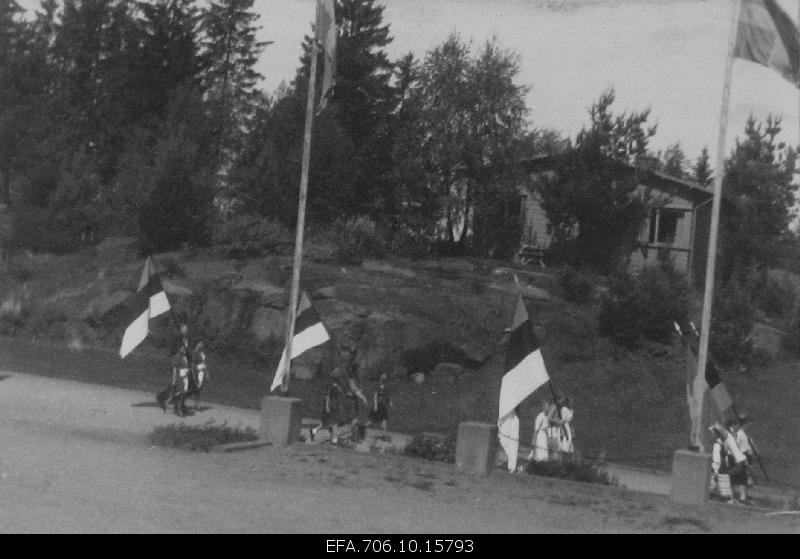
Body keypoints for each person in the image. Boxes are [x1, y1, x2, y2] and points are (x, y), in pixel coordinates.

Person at [723, 419, 750, 504]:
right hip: (737, 457)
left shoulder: (737, 434)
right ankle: (735, 497)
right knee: (735, 478)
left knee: (739, 479)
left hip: (737, 457)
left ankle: (740, 497)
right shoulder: (737, 434)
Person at [710, 425, 733, 501]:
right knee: (724, 492)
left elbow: (717, 460)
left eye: (712, 433)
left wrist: (715, 471)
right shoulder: (723, 444)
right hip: (723, 470)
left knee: (717, 491)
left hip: (719, 471)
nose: (711, 435)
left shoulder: (717, 445)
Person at [187, 341, 209, 412]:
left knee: (199, 388)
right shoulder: (195, 352)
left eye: (202, 344)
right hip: (198, 371)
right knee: (196, 388)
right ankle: (195, 404)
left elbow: (204, 363)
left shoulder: (201, 353)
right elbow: (193, 364)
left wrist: (206, 372)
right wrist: (195, 372)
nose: (201, 345)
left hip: (202, 371)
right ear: (197, 344)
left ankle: (197, 405)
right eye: (200, 344)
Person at [369, 374, 392, 438]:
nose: (384, 381)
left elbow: (388, 396)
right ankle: (361, 427)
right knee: (372, 421)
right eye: (383, 379)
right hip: (378, 406)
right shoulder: (378, 386)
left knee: (384, 421)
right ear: (381, 379)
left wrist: (390, 403)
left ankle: (385, 436)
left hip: (383, 407)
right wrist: (375, 405)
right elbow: (375, 396)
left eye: (385, 379)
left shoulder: (386, 387)